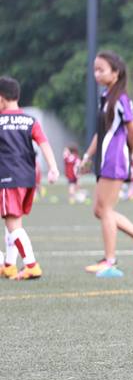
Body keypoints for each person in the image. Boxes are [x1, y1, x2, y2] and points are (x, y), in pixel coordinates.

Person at [78, 51, 133, 273]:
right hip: (104, 158)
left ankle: (110, 260)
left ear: (116, 72)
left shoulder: (121, 98)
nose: (96, 73)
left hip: (114, 158)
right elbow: (100, 133)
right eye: (95, 69)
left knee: (105, 209)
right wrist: (87, 156)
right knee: (100, 210)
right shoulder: (106, 97)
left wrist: (131, 153)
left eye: (101, 69)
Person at [0, 76, 59, 280]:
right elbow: (44, 143)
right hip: (27, 178)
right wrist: (53, 167)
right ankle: (8, 265)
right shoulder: (30, 120)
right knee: (14, 221)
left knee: (12, 224)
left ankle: (31, 265)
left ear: (1, 99)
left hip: (8, 178)